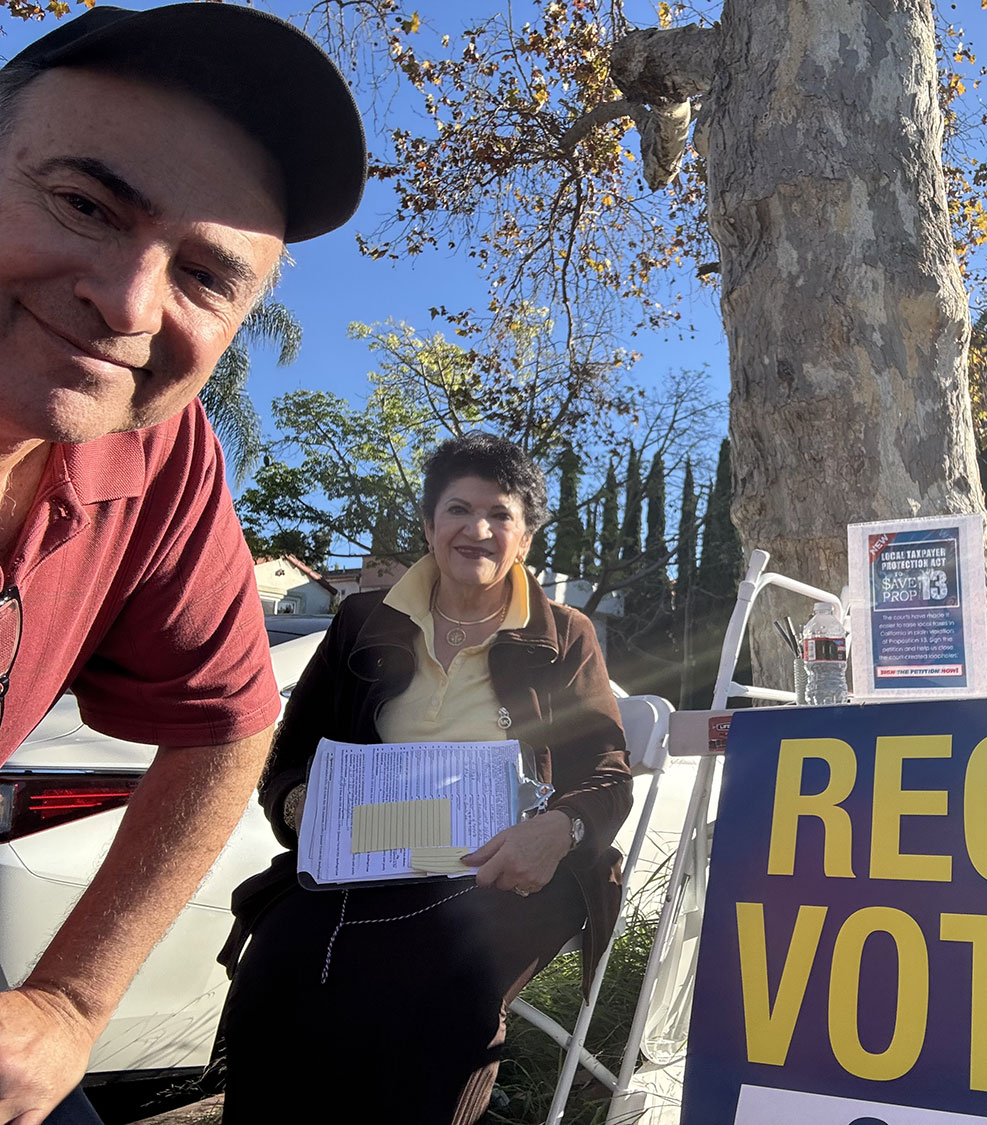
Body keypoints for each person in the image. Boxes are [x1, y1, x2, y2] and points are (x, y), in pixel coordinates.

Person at [0, 6, 366, 1123]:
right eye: (82, 203)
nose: (127, 302)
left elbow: (232, 719)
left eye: (206, 277)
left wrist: (69, 1003)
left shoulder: (155, 450)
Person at [216, 432, 633, 1125]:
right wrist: (301, 805)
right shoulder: (360, 622)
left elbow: (609, 774)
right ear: (429, 523)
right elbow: (288, 756)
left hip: (503, 869)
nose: (478, 529)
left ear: (525, 537)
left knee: (446, 987)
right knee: (278, 972)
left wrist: (557, 831)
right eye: (458, 509)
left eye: (500, 515)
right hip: (367, 857)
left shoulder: (564, 636)